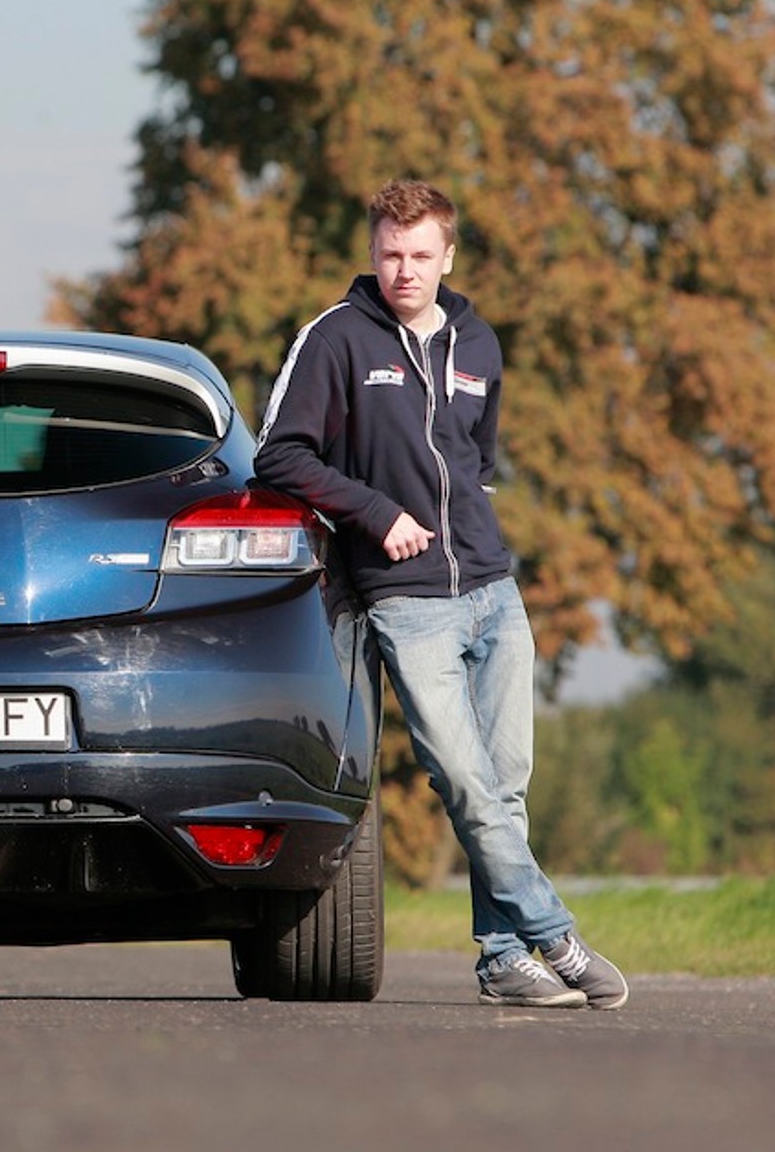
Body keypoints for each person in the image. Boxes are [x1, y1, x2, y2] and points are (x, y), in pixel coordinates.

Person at [253, 178, 628, 1010]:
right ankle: (554, 936)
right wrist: (375, 512)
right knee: (463, 781)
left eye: (421, 255)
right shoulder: (335, 341)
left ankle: (501, 960)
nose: (405, 270)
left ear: (447, 255)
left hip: (494, 591)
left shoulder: (478, 342)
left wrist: (477, 546)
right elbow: (279, 456)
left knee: (507, 783)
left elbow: (477, 465)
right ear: (372, 250)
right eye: (391, 253)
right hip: (405, 600)